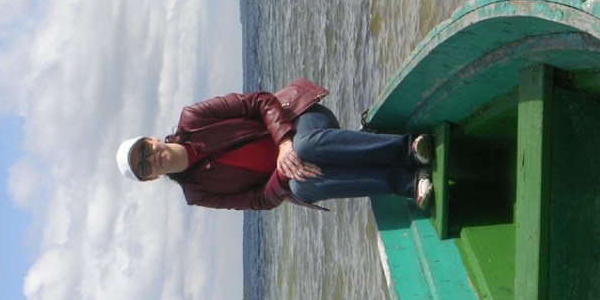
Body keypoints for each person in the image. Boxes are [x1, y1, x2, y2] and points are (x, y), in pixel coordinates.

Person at [116, 78, 433, 211]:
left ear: (150, 140)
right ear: (151, 178)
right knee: (299, 187)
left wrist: (284, 143)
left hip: (300, 119)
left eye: (144, 151)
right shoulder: (196, 192)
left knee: (304, 147)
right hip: (296, 172)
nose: (150, 159)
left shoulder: (194, 118)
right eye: (144, 167)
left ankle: (407, 149)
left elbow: (259, 101)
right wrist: (283, 172)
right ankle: (405, 183)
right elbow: (258, 200)